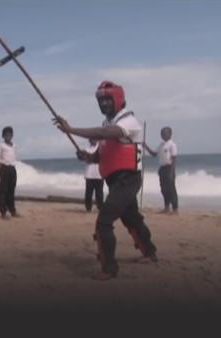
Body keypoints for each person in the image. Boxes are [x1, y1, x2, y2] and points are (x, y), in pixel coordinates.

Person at [54, 80, 157, 281]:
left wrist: (71, 130)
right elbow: (102, 153)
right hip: (114, 179)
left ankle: (109, 269)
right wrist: (89, 157)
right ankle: (150, 252)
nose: (104, 105)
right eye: (101, 102)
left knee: (104, 221)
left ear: (118, 99)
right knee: (131, 218)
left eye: (108, 101)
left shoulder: (129, 122)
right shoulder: (107, 123)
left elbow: (104, 134)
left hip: (128, 179)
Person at [144, 127, 178, 214]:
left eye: (164, 133)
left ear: (170, 134)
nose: (162, 135)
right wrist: (146, 146)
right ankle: (166, 207)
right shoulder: (161, 145)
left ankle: (175, 209)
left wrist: (171, 172)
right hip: (162, 168)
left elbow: (174, 159)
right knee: (164, 189)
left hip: (169, 167)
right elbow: (154, 154)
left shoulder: (172, 145)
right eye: (161, 133)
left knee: (171, 189)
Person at [0, 126, 19, 219]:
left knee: (11, 191)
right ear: (3, 136)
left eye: (9, 134)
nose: (8, 136)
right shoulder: (1, 146)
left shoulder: (14, 146)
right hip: (3, 169)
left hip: (12, 169)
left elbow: (14, 158)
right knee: (2, 191)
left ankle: (12, 210)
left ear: (12, 135)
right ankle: (3, 212)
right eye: (6, 135)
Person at [83, 139, 104, 212]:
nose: (93, 141)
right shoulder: (87, 150)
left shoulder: (101, 149)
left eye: (95, 139)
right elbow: (85, 159)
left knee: (99, 194)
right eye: (92, 139)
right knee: (88, 193)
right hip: (89, 175)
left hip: (99, 174)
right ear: (89, 141)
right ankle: (88, 208)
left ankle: (100, 208)